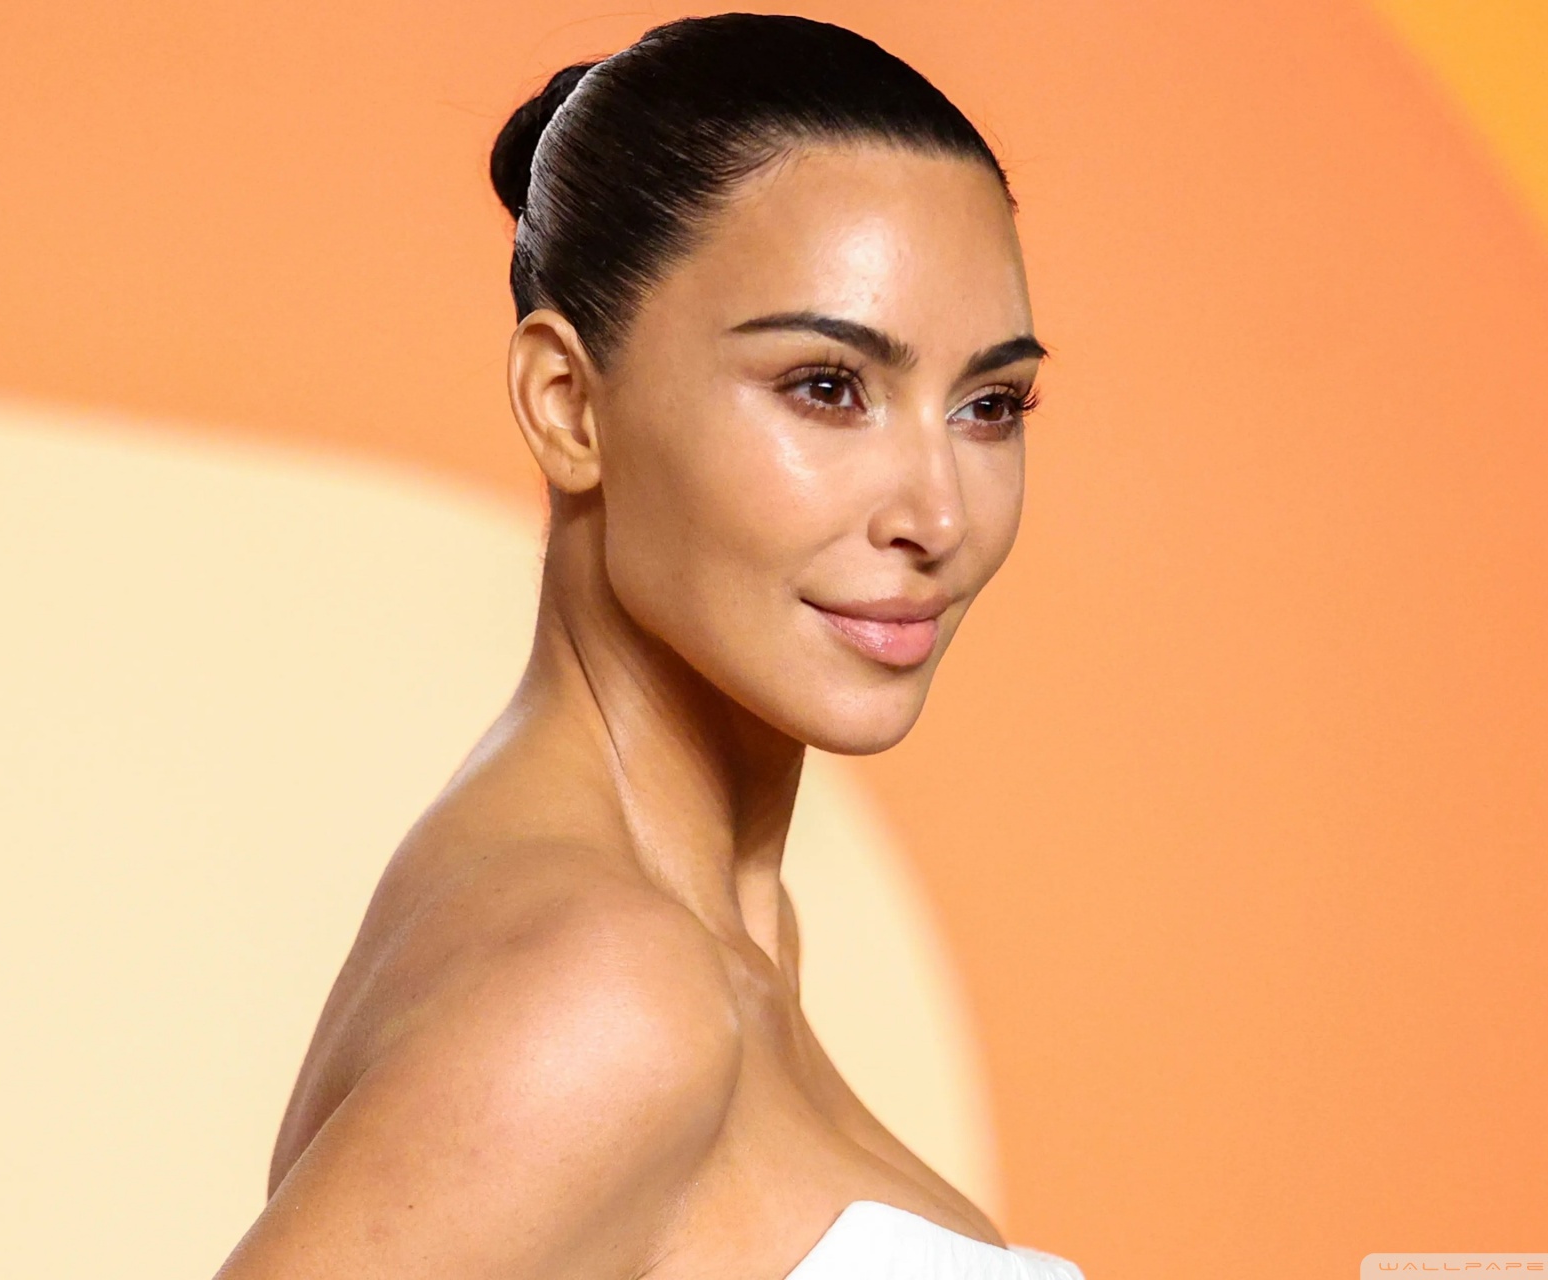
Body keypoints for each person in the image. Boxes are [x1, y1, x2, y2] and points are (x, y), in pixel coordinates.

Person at [215, 13, 1079, 1278]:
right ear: (568, 405)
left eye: (990, 405)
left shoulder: (723, 938)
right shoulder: (609, 990)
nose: (938, 515)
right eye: (827, 386)